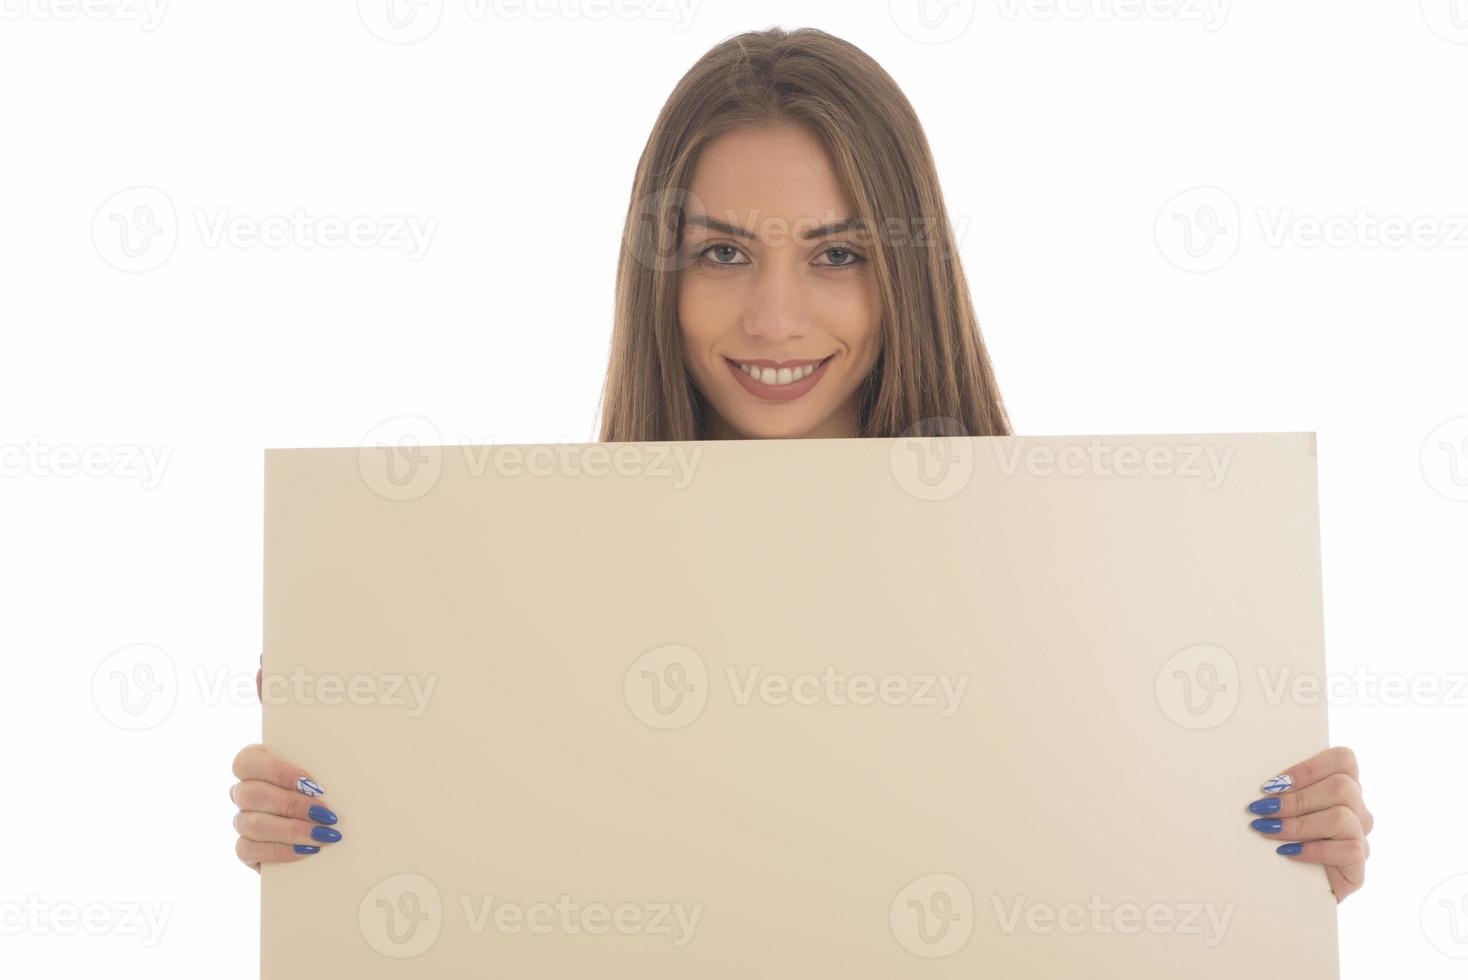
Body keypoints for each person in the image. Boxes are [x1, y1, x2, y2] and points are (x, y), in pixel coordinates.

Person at [229, 26, 1371, 901]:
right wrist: (349, 803)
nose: (775, 316)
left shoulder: (1085, 587)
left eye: (837, 254)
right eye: (721, 251)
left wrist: (1277, 855)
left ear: (906, 276)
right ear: (658, 279)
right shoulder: (519, 609)